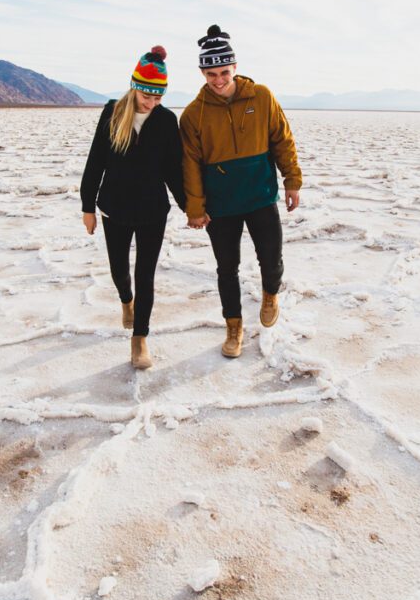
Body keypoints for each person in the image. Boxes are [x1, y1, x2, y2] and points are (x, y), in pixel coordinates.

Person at [179, 25, 302, 358]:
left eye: (224, 72)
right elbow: (189, 164)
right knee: (226, 268)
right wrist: (195, 207)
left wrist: (292, 179)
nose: (218, 79)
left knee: (271, 259)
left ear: (234, 68)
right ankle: (233, 326)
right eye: (211, 73)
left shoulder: (261, 97)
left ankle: (270, 294)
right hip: (222, 205)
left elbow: (282, 139)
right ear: (202, 72)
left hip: (260, 195)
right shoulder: (193, 114)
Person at [80, 45, 185, 370]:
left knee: (146, 274)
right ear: (134, 86)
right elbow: (95, 160)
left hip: (153, 210)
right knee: (119, 271)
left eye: (158, 97)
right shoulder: (113, 112)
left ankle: (140, 338)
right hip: (115, 208)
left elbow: (173, 170)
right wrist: (88, 206)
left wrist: (191, 206)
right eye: (146, 95)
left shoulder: (167, 120)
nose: (151, 103)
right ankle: (127, 300)